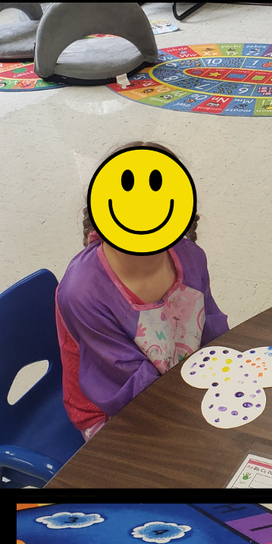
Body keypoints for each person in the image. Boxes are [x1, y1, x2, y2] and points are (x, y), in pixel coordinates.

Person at [56, 141, 229, 440]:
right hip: (110, 407)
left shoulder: (190, 256)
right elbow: (124, 387)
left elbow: (212, 329)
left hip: (180, 385)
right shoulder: (81, 292)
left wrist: (226, 374)